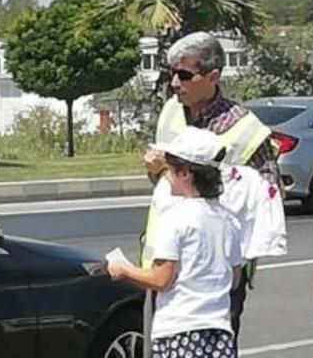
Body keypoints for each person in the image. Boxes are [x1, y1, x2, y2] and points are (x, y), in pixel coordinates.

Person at [142, 31, 283, 352]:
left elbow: (268, 198)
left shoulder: (244, 128)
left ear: (213, 76)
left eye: (184, 75)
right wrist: (157, 171)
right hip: (167, 259)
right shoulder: (171, 112)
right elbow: (167, 186)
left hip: (214, 269)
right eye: (170, 74)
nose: (175, 83)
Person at [109, 126, 244, 358]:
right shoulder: (227, 219)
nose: (166, 177)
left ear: (185, 174)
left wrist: (124, 271)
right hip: (219, 331)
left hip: (179, 330)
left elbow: (162, 279)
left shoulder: (174, 217)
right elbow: (235, 279)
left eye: (169, 170)